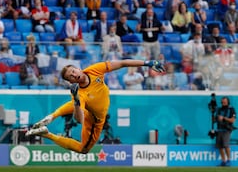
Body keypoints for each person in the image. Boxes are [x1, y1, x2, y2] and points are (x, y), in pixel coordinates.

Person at [25, 59, 165, 153]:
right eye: (70, 77)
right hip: (95, 120)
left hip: (90, 107)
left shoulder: (94, 70)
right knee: (83, 150)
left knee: (75, 103)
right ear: (70, 82)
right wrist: (76, 99)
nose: (74, 75)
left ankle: (52, 116)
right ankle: (47, 134)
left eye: (73, 71)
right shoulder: (79, 92)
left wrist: (147, 62)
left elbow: (123, 63)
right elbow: (80, 120)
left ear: (79, 69)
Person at [215, 97, 236, 166]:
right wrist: (215, 118)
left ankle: (229, 160)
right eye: (222, 102)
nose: (223, 103)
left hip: (227, 129)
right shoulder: (219, 109)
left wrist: (224, 118)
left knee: (226, 145)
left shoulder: (231, 109)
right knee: (220, 146)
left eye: (224, 102)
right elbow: (215, 120)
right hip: (219, 129)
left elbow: (232, 120)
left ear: (227, 102)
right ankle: (223, 161)